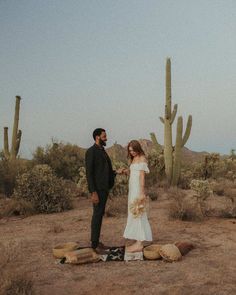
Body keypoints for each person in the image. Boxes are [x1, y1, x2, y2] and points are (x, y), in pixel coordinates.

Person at [85, 128, 123, 253]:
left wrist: (116, 172)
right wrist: (93, 192)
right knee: (97, 215)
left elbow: (104, 171)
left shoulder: (102, 151)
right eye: (104, 136)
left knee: (99, 215)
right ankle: (94, 245)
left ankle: (96, 243)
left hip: (104, 188)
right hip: (98, 190)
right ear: (97, 137)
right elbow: (89, 174)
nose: (106, 138)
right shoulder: (91, 152)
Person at [122, 140, 153, 252]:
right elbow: (133, 172)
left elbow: (141, 177)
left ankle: (139, 244)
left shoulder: (142, 158)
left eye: (133, 150)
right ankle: (137, 241)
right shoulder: (134, 159)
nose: (132, 152)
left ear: (137, 148)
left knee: (138, 213)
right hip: (132, 190)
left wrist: (141, 192)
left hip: (137, 191)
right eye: (130, 151)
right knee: (133, 213)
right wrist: (126, 171)